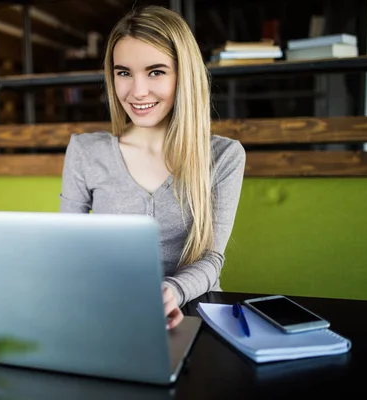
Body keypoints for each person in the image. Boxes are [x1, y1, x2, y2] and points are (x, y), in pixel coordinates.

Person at [59, 5, 246, 330]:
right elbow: (68, 250)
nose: (137, 91)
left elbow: (212, 259)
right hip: (111, 313)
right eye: (124, 73)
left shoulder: (224, 156)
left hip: (195, 316)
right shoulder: (85, 151)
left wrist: (171, 291)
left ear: (183, 75)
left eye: (156, 72)